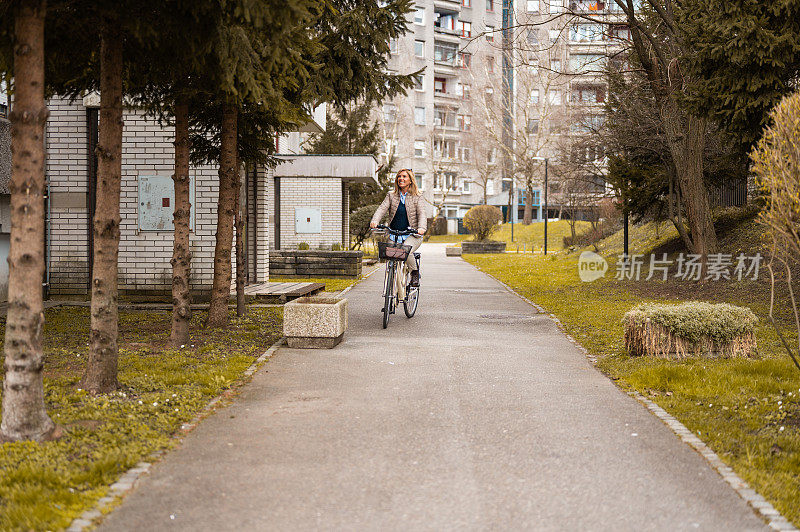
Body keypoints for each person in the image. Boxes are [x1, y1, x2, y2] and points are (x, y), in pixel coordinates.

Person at [370, 168, 427, 287]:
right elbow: (382, 209)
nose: (401, 178)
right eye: (399, 176)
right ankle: (390, 291)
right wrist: (375, 221)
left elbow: (422, 214)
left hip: (412, 234)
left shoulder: (417, 196)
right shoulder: (391, 195)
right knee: (390, 255)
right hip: (394, 234)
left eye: (404, 176)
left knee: (407, 251)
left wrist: (421, 228)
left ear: (410, 180)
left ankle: (414, 273)